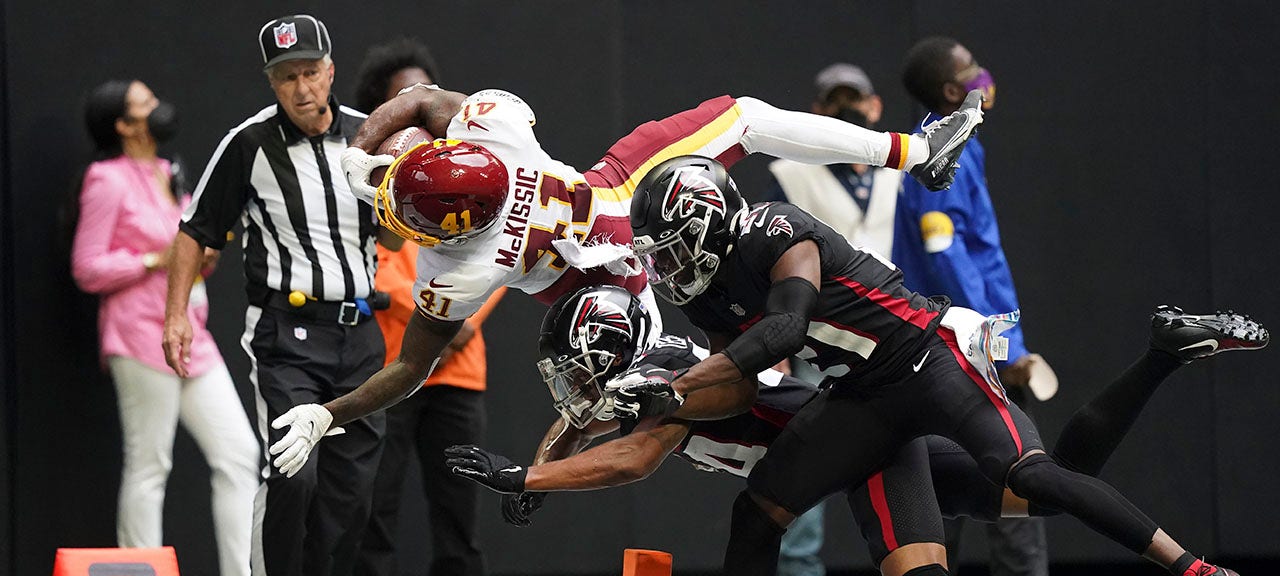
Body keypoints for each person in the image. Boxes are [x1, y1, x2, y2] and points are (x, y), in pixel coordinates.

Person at [608, 155, 1258, 576]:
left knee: (1029, 475)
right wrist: (679, 398)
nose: (664, 268)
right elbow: (742, 384)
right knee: (775, 523)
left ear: (708, 222)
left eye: (668, 248)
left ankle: (1202, 573)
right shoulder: (708, 291)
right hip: (861, 399)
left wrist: (680, 386)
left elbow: (783, 329)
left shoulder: (772, 229)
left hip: (926, 354)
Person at [446, 284, 1266, 576]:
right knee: (1055, 481)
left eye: (580, 374)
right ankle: (1162, 354)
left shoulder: (670, 388)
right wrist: (551, 453)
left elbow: (632, 456)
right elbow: (600, 414)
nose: (572, 392)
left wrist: (527, 479)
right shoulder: (654, 364)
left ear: (616, 359)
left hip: (859, 443)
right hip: (853, 443)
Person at [263, 75, 985, 480]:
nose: (407, 231)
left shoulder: (457, 266)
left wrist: (331, 413)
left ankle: (805, 439)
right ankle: (914, 151)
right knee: (744, 117)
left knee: (660, 401)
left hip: (619, 280)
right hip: (619, 195)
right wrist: (365, 157)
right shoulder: (490, 129)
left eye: (419, 221)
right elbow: (422, 97)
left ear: (456, 223)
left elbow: (411, 369)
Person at [162, 14, 384, 576]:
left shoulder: (371, 134)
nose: (299, 86)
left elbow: (401, 234)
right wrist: (175, 316)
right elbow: (195, 232)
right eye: (285, 77)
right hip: (288, 338)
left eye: (308, 71)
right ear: (272, 83)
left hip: (360, 335)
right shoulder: (250, 145)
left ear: (330, 70)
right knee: (295, 476)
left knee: (349, 495)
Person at [885, 37, 1086, 576]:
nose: (983, 75)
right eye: (970, 70)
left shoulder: (956, 145)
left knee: (941, 468)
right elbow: (947, 256)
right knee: (1017, 462)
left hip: (950, 335)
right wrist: (1005, 343)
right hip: (961, 338)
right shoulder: (938, 154)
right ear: (952, 93)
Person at [345, 38, 519, 576]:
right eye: (399, 94)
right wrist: (434, 312)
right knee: (379, 501)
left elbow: (503, 251)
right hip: (393, 364)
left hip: (460, 370)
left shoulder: (472, 163)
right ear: (378, 106)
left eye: (422, 89)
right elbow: (373, 266)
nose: (414, 102)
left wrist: (462, 311)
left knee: (458, 504)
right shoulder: (375, 175)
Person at [70, 79, 259, 576]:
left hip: (192, 336)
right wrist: (156, 260)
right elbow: (87, 267)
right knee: (150, 464)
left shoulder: (171, 170)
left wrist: (195, 260)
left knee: (239, 456)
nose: (158, 110)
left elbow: (191, 243)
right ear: (124, 126)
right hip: (138, 335)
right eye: (144, 106)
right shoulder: (106, 180)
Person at [764, 63, 904, 576]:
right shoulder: (790, 172)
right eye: (834, 102)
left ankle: (907, 571)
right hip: (821, 332)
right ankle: (798, 575)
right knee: (804, 447)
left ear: (874, 108)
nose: (846, 109)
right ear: (817, 115)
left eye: (856, 100)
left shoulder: (901, 174)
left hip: (895, 330)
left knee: (906, 449)